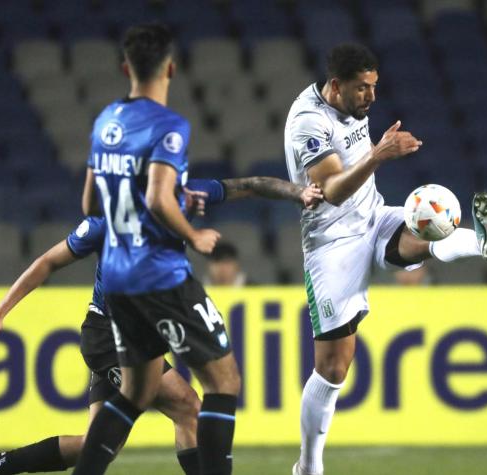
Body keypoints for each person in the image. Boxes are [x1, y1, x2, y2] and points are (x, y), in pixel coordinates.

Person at [74, 23, 323, 475]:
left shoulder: (106, 121)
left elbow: (91, 203)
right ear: (171, 68)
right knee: (224, 380)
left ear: (124, 67)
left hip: (117, 280)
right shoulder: (169, 126)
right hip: (160, 275)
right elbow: (156, 197)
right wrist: (193, 235)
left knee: (134, 394)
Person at [0, 177, 321, 475]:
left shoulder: (184, 194)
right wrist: (0, 312)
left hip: (135, 330)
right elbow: (47, 262)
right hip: (109, 333)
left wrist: (298, 192)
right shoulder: (106, 220)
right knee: (188, 406)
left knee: (99, 443)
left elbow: (248, 185)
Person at [284, 43, 487, 475]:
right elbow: (330, 190)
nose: (370, 96)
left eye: (374, 86)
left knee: (424, 224)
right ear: (335, 85)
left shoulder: (354, 109)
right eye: (362, 88)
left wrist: (376, 155)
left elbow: (357, 181)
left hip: (373, 216)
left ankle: (482, 241)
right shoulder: (308, 122)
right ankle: (308, 467)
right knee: (332, 367)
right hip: (332, 243)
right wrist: (379, 154)